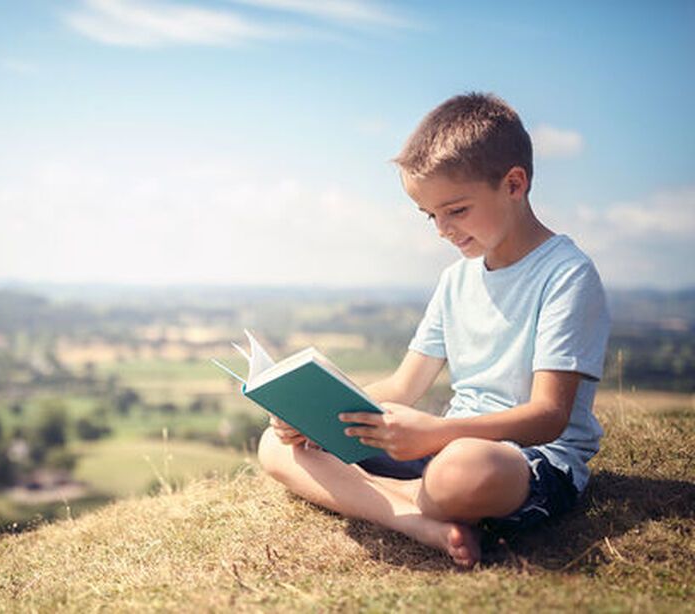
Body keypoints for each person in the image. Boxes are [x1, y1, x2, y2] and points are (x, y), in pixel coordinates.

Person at [257, 92, 610, 568]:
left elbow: (549, 416)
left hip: (524, 461)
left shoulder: (567, 274)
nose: (442, 229)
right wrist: (317, 417)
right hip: (442, 446)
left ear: (514, 183)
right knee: (276, 446)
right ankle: (412, 517)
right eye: (431, 216)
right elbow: (405, 386)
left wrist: (436, 433)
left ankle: (391, 496)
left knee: (460, 471)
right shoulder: (456, 279)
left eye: (457, 210)